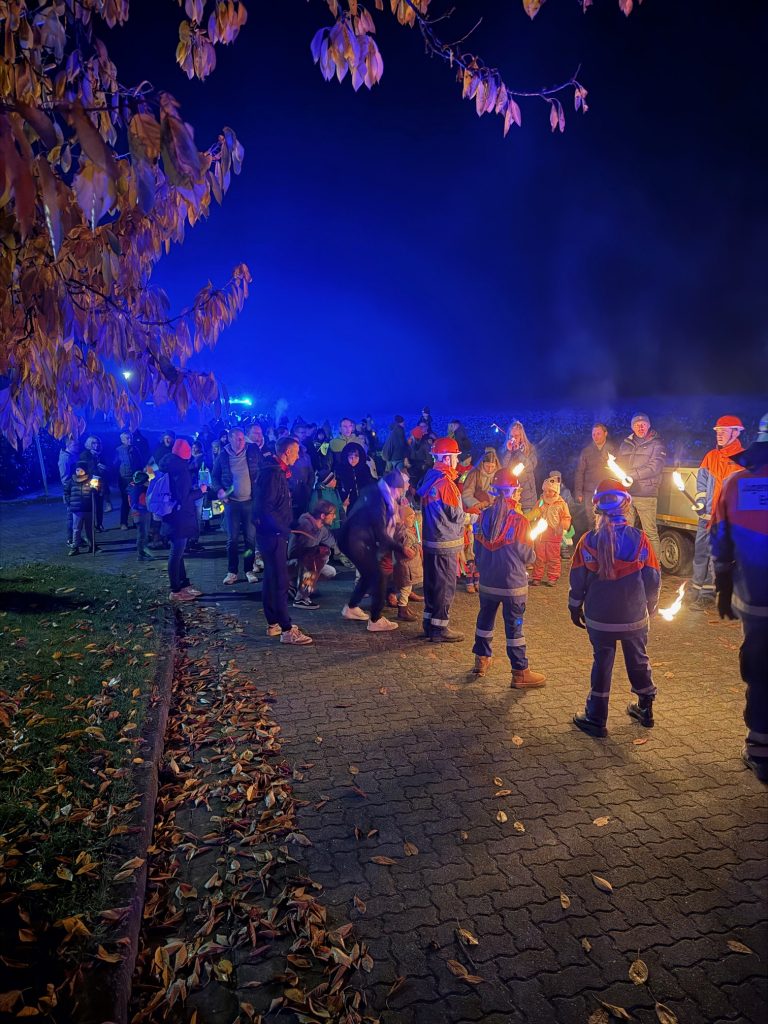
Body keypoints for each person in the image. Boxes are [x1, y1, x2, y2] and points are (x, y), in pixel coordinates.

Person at [568, 480, 660, 737]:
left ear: (596, 509)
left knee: (602, 663)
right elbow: (652, 578)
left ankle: (596, 718)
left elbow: (577, 581)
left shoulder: (587, 542)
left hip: (599, 619)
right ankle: (645, 708)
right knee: (638, 660)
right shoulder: (641, 540)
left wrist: (574, 608)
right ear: (627, 505)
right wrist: (650, 606)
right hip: (634, 617)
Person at [710, 412, 768, 782]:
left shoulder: (736, 484)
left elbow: (720, 535)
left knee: (761, 669)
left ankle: (760, 748)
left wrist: (723, 585)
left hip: (757, 599)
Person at [471, 468, 546, 688]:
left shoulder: (482, 517)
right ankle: (520, 671)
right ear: (513, 492)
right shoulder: (519, 521)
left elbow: (476, 549)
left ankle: (481, 660)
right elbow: (526, 555)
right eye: (517, 490)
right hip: (512, 585)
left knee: (485, 620)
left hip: (487, 583)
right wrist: (534, 551)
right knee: (515, 628)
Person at [252, 437, 313, 645]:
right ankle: (287, 629)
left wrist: (293, 523)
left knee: (271, 578)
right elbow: (265, 509)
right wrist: (283, 529)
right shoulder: (273, 474)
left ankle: (273, 623)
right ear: (287, 452)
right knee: (280, 581)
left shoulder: (274, 472)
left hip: (273, 533)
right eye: (295, 452)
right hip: (273, 535)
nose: (298, 456)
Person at [338, 470, 413, 632]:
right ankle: (375, 619)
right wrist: (400, 548)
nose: (400, 494)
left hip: (353, 539)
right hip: (357, 541)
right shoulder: (378, 499)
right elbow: (380, 530)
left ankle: (351, 608)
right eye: (400, 490)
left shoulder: (376, 491)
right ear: (393, 487)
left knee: (368, 574)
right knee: (378, 576)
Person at [690, 415, 745, 608]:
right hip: (706, 518)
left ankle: (708, 594)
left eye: (724, 431)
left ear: (736, 432)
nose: (719, 435)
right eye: (718, 431)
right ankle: (696, 589)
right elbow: (702, 483)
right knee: (700, 555)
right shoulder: (710, 457)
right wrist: (700, 501)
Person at [417, 437, 466, 642]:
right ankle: (440, 629)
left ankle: (429, 624)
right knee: (444, 587)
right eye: (455, 457)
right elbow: (456, 515)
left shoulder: (430, 478)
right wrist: (473, 516)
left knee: (432, 585)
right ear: (446, 458)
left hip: (431, 542)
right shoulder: (446, 484)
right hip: (445, 544)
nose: (457, 462)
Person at [213, 427, 261, 586]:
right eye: (238, 439)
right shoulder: (223, 456)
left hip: (249, 501)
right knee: (232, 539)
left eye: (243, 438)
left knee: (250, 538)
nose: (241, 442)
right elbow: (215, 477)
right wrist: (220, 491)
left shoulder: (252, 452)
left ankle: (248, 569)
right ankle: (232, 571)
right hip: (232, 503)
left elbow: (262, 469)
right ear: (230, 438)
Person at [159, 438, 206, 603]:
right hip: (179, 517)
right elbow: (183, 498)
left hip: (170, 515)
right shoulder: (181, 470)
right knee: (176, 553)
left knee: (179, 553)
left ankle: (183, 584)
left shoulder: (168, 464)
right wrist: (200, 491)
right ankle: (175, 590)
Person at [617, 413, 666, 559]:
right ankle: (628, 563)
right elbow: (619, 465)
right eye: (637, 425)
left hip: (646, 494)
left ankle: (655, 566)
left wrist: (631, 475)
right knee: (626, 530)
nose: (640, 427)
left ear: (649, 425)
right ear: (632, 427)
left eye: (643, 424)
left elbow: (655, 467)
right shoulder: (625, 444)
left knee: (650, 532)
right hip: (627, 494)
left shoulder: (657, 444)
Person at [461, 449, 501, 592]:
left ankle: (483, 577)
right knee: (473, 545)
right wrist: (477, 504)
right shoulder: (474, 474)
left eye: (492, 466)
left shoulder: (498, 474)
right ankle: (470, 578)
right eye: (487, 466)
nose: (490, 469)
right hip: (476, 512)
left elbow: (498, 491)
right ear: (482, 464)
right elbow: (466, 493)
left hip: (492, 512)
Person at [288, 500, 340, 608]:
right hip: (290, 564)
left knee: (330, 572)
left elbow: (334, 544)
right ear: (322, 515)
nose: (334, 517)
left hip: (302, 564)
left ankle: (292, 585)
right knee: (315, 557)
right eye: (332, 514)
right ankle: (301, 598)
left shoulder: (321, 529)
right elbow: (304, 554)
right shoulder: (305, 525)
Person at [530, 475, 572, 586]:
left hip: (554, 534)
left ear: (556, 491)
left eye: (551, 491)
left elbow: (566, 517)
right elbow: (535, 512)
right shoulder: (541, 502)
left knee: (553, 557)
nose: (548, 493)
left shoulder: (561, 504)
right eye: (546, 490)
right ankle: (537, 577)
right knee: (539, 556)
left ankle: (553, 577)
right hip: (541, 534)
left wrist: (562, 525)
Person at [574, 424, 617, 528]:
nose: (595, 436)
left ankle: (607, 542)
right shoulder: (586, 451)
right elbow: (579, 472)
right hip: (591, 492)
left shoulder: (612, 450)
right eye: (593, 434)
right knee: (592, 521)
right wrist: (578, 492)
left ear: (605, 433)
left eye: (598, 433)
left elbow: (618, 471)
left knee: (608, 521)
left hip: (608, 492)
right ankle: (592, 543)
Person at [392, 503, 423, 621]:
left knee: (407, 588)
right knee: (405, 589)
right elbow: (406, 550)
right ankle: (402, 609)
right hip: (406, 566)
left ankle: (404, 608)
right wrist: (415, 549)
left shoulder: (407, 531)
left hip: (409, 566)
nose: (413, 519)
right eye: (410, 517)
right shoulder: (404, 533)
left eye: (414, 516)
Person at [498, 421, 538, 512]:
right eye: (511, 436)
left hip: (527, 496)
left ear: (521, 436)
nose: (514, 439)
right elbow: (502, 469)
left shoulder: (530, 449)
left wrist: (519, 453)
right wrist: (508, 452)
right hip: (510, 494)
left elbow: (530, 467)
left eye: (516, 436)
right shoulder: (504, 450)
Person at [65, 462, 98, 555]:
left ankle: (92, 546)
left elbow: (96, 492)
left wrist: (95, 487)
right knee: (76, 529)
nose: (79, 472)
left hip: (88, 508)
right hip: (77, 509)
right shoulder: (71, 481)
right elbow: (66, 492)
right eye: (77, 470)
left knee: (90, 529)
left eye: (81, 470)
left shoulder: (90, 480)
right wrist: (70, 502)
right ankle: (75, 547)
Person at [80, 435, 110, 529]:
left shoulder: (101, 454)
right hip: (90, 482)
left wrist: (105, 468)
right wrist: (98, 469)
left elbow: (107, 467)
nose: (96, 445)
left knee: (99, 504)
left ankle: (99, 524)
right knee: (91, 504)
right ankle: (91, 526)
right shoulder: (85, 455)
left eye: (97, 443)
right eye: (93, 443)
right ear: (89, 444)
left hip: (101, 482)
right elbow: (88, 469)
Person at [114, 430, 141, 530]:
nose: (130, 440)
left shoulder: (135, 450)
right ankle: (123, 522)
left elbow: (140, 463)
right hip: (123, 479)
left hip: (134, 479)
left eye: (130, 437)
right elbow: (114, 465)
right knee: (125, 501)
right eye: (127, 438)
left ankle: (136, 521)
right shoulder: (118, 451)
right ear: (122, 440)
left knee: (134, 501)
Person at [337, 442, 374, 511]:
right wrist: (342, 498)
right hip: (348, 505)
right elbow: (337, 487)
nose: (353, 459)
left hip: (363, 504)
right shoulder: (341, 470)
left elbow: (370, 484)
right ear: (346, 456)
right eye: (350, 456)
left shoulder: (365, 468)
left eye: (356, 456)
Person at [58, 436, 81, 549]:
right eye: (74, 445)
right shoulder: (65, 459)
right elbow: (65, 478)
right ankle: (70, 539)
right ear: (68, 446)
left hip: (76, 489)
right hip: (71, 491)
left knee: (76, 516)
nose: (77, 447)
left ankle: (76, 538)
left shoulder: (73, 456)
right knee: (71, 516)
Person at [128, 470, 154, 561]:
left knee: (143, 533)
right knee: (142, 534)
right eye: (147, 481)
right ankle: (141, 554)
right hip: (141, 514)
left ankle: (143, 551)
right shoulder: (140, 490)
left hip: (138, 514)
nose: (149, 482)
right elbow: (142, 503)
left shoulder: (133, 488)